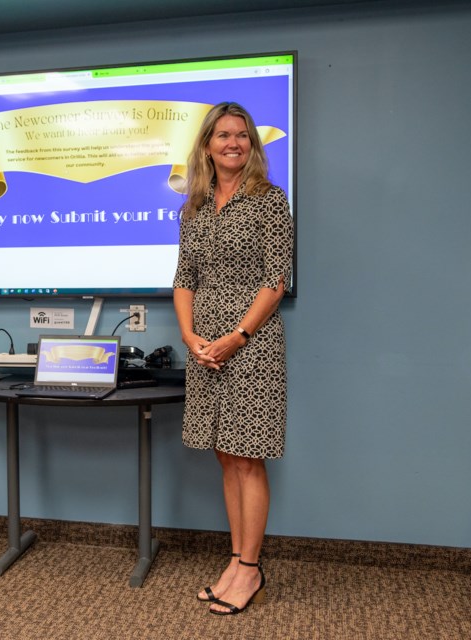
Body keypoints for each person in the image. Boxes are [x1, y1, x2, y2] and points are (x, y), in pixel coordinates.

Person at [172, 102, 293, 615]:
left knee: (248, 458)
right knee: (226, 455)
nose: (234, 143)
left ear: (252, 145)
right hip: (206, 351)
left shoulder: (269, 200)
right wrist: (191, 337)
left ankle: (250, 568)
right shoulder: (195, 207)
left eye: (242, 136)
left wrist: (236, 336)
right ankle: (237, 560)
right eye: (223, 135)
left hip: (253, 345)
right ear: (206, 145)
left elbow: (276, 279)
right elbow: (184, 280)